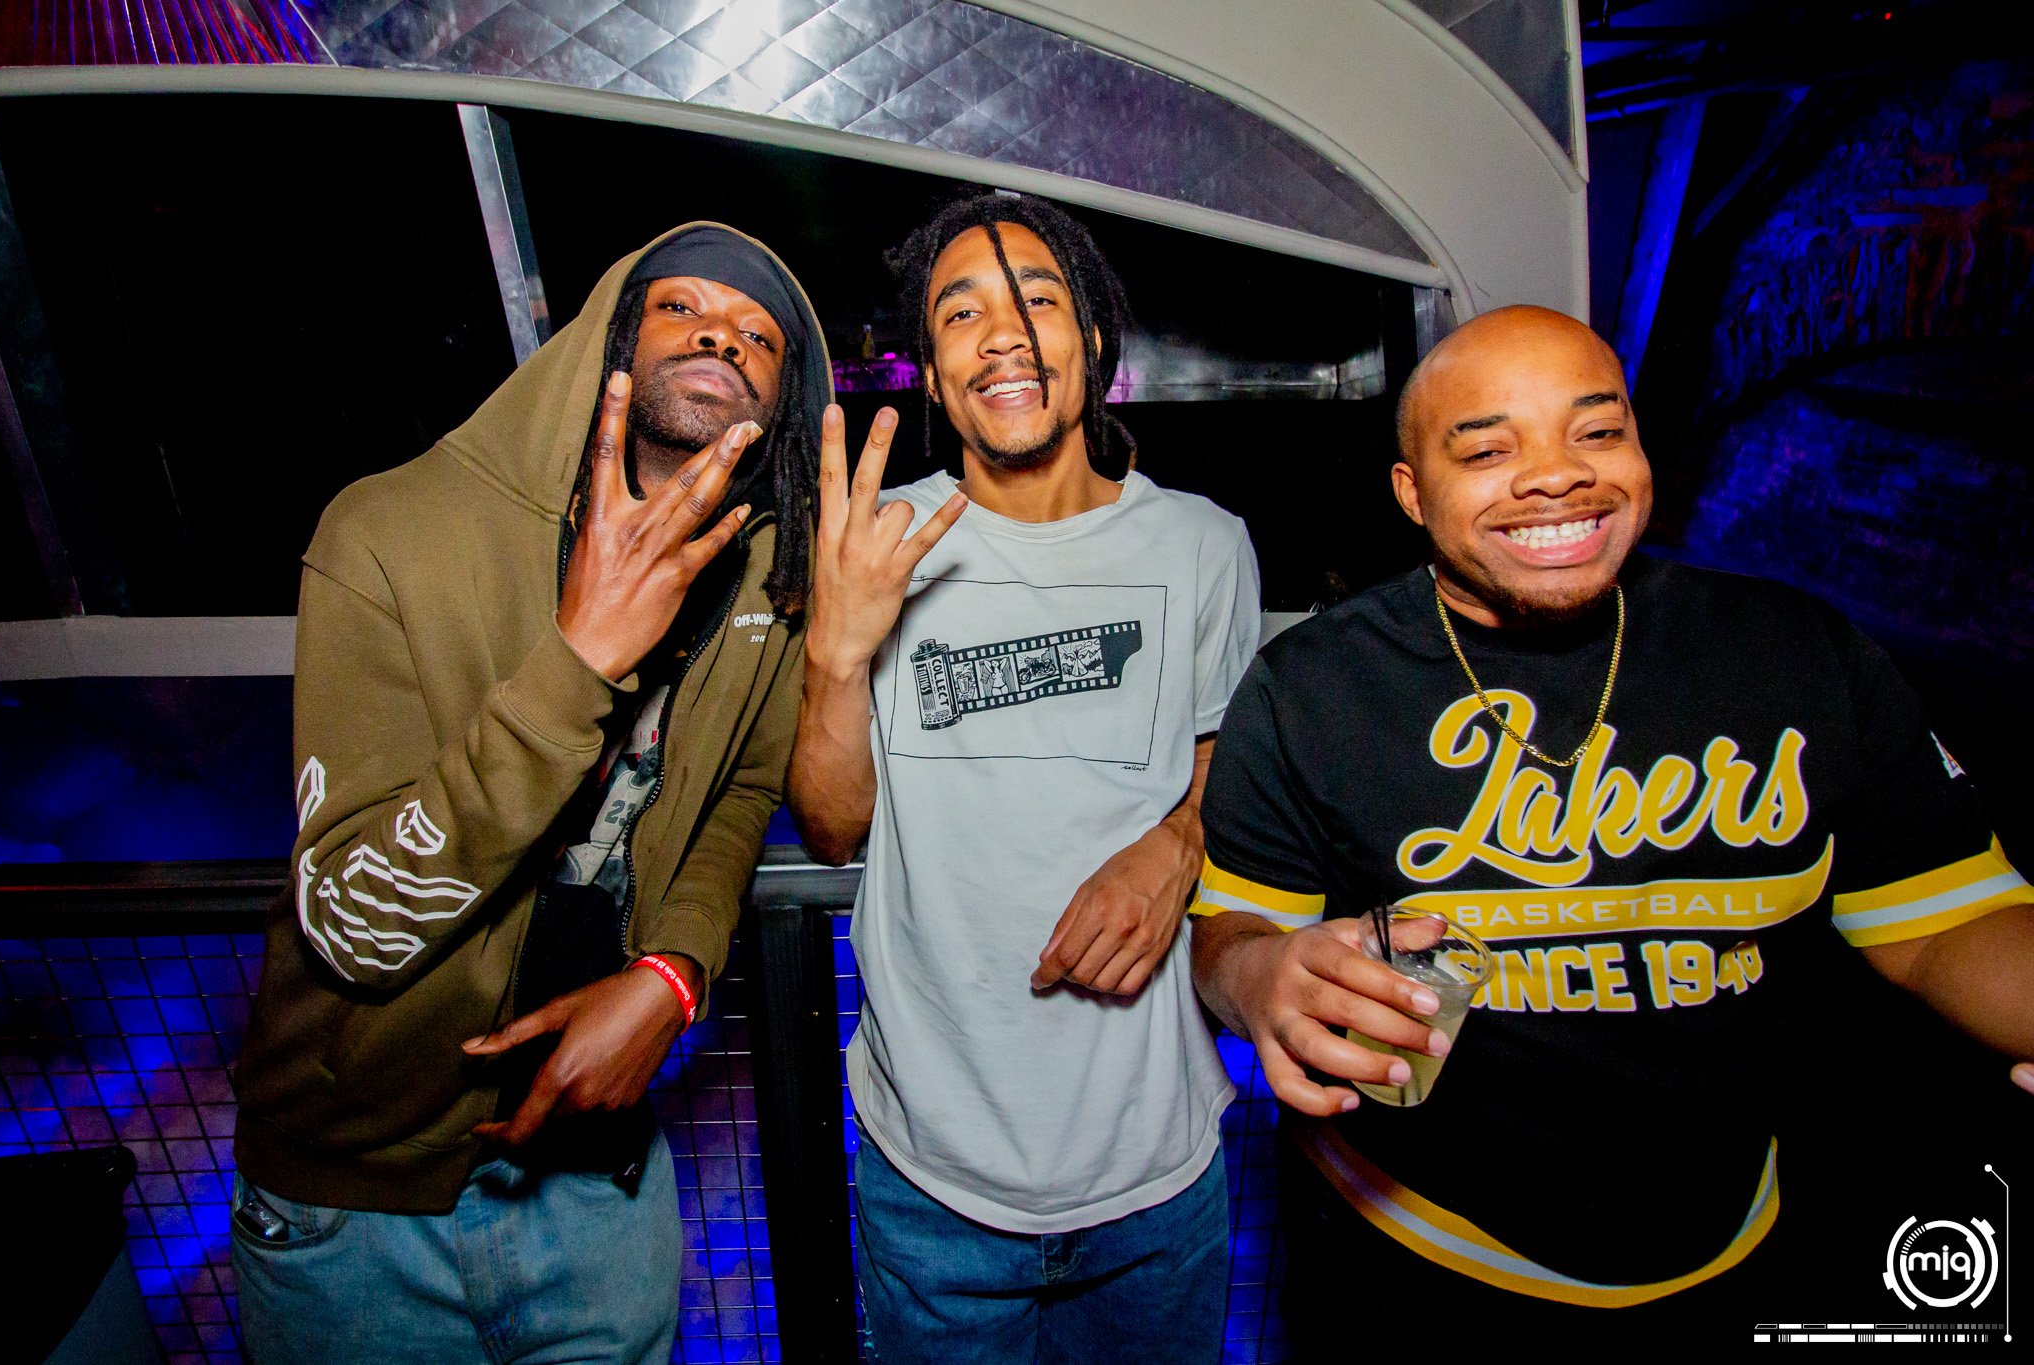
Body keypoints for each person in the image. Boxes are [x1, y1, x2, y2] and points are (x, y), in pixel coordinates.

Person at [1188, 304, 2034, 1348]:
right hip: (1417, 1256)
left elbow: (1946, 921)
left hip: (1741, 1240)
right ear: (1412, 491)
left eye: (1595, 431)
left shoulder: (1793, 653)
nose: (1556, 474)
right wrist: (1259, 979)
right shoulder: (1312, 687)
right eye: (1487, 450)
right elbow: (1229, 935)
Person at [229, 224, 831, 1362]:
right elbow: (355, 928)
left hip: (598, 1175)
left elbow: (744, 789)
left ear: (785, 399)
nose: (721, 336)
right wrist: (578, 663)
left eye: (759, 337)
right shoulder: (393, 531)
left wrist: (673, 974)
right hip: (357, 1209)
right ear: (613, 335)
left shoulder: (767, 573)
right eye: (683, 308)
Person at [788, 192, 1260, 1364]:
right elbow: (832, 831)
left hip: (1154, 1172)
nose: (1000, 334)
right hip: (932, 1180)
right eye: (960, 314)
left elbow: (1221, 758)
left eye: (1035, 301)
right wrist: (834, 655)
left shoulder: (1203, 546)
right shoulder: (875, 542)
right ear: (932, 372)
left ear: (1091, 341)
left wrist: (1177, 841)